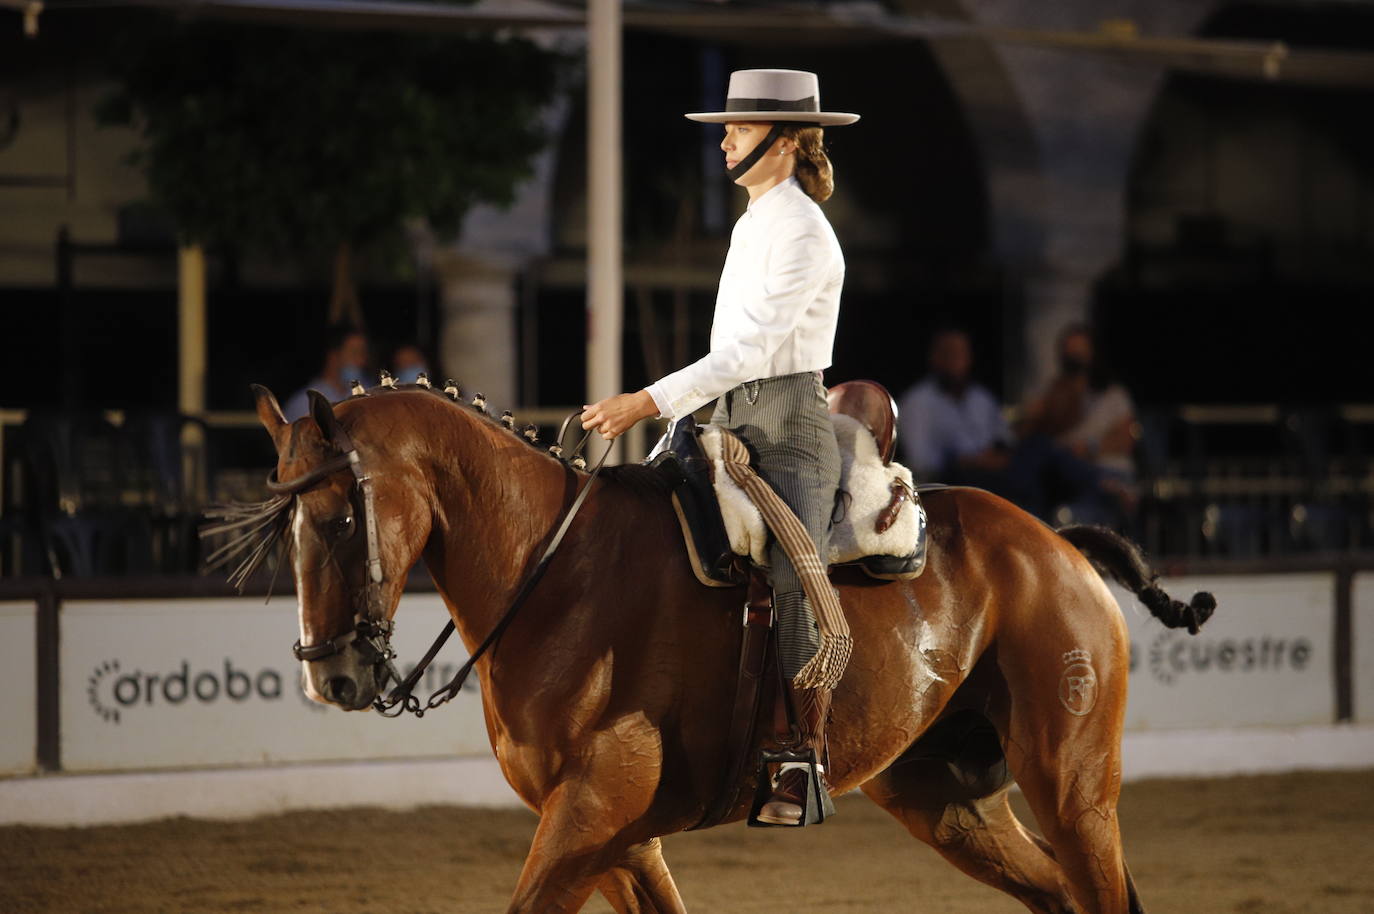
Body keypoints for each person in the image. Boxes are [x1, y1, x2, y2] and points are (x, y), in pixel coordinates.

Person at [579, 69, 858, 827]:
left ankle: (801, 755)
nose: (725, 138)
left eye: (736, 127)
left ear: (784, 142)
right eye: (728, 127)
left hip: (790, 430)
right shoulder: (754, 221)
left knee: (797, 573)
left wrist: (646, 400)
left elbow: (749, 352)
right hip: (730, 419)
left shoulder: (805, 232)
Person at [1016, 322, 1138, 524]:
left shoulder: (1114, 395)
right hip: (1063, 477)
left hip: (1109, 468)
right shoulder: (1051, 394)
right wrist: (1064, 397)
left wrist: (1090, 448)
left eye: (1079, 353)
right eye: (1069, 354)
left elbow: (1126, 439)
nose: (1074, 360)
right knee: (1045, 454)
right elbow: (1031, 433)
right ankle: (1103, 488)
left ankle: (1100, 492)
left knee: (1078, 510)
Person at [898, 328, 1011, 483]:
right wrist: (970, 461)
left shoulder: (981, 398)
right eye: (949, 353)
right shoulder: (917, 402)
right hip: (949, 486)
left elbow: (1004, 437)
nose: (956, 361)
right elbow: (922, 463)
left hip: (994, 478)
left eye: (962, 354)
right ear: (934, 357)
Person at [283, 323, 369, 421]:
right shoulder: (306, 404)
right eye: (354, 353)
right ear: (333, 357)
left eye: (363, 353)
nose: (362, 361)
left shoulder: (365, 393)